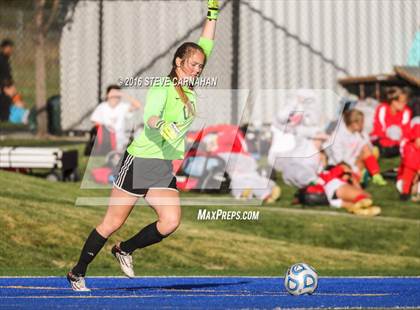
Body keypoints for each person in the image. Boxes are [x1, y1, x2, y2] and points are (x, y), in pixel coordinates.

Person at [67, 0, 219, 291]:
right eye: (192, 64)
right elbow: (150, 116)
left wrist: (213, 13)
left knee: (170, 221)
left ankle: (124, 249)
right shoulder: (164, 86)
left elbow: (206, 43)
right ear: (178, 63)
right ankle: (77, 272)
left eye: (200, 65)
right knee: (112, 222)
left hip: (161, 166)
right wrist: (163, 126)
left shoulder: (189, 87)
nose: (198, 69)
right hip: (139, 162)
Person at [326, 109, 387, 186]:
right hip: (340, 164)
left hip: (354, 160)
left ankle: (375, 175)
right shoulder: (338, 136)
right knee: (347, 177)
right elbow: (339, 160)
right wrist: (354, 168)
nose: (363, 125)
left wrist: (363, 137)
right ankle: (359, 176)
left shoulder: (358, 133)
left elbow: (368, 148)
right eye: (361, 123)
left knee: (367, 148)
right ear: (354, 124)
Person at [90, 85, 141, 152]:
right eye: (112, 95)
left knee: (139, 132)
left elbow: (138, 105)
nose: (114, 98)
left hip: (120, 139)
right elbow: (94, 122)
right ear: (107, 95)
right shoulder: (102, 107)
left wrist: (124, 95)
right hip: (107, 139)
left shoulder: (123, 106)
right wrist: (107, 129)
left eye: (117, 95)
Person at [370, 87, 412, 157]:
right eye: (402, 102)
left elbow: (406, 131)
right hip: (383, 139)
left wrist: (398, 141)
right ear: (393, 101)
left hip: (398, 141)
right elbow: (379, 129)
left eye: (405, 101)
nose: (404, 104)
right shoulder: (382, 109)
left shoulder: (406, 112)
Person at [397, 117, 420, 201]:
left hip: (414, 155)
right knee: (408, 175)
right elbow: (418, 142)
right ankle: (405, 192)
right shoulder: (417, 123)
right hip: (412, 155)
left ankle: (412, 191)